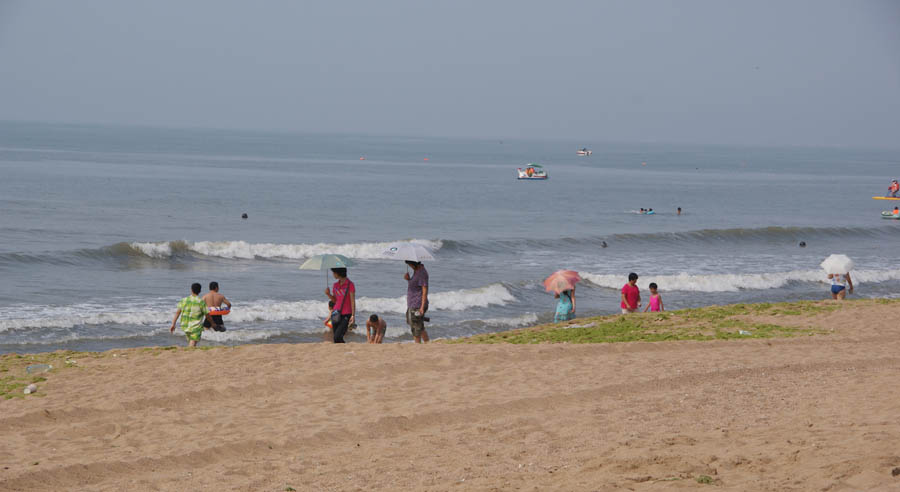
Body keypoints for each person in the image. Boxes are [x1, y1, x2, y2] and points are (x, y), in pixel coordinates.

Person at [170, 283, 213, 347]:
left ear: (191, 290)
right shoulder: (200, 302)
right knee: (193, 342)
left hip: (185, 325)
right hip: (195, 326)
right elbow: (207, 315)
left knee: (191, 341)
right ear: (200, 291)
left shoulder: (184, 300)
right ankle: (188, 353)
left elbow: (177, 313)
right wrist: (213, 323)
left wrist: (173, 324)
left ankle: (189, 351)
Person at [324, 268, 356, 343]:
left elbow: (352, 301)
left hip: (346, 314)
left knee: (337, 336)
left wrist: (353, 315)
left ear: (338, 273)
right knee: (336, 338)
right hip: (336, 313)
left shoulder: (350, 285)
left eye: (334, 272)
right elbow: (335, 300)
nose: (333, 274)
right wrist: (328, 294)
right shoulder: (335, 285)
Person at [404, 260, 429, 343]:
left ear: (414, 264)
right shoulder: (417, 270)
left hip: (417, 304)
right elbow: (415, 285)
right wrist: (408, 279)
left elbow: (425, 290)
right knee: (419, 327)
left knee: (415, 328)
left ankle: (418, 346)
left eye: (410, 265)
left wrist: (422, 307)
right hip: (413, 303)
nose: (410, 266)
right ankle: (427, 343)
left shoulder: (422, 273)